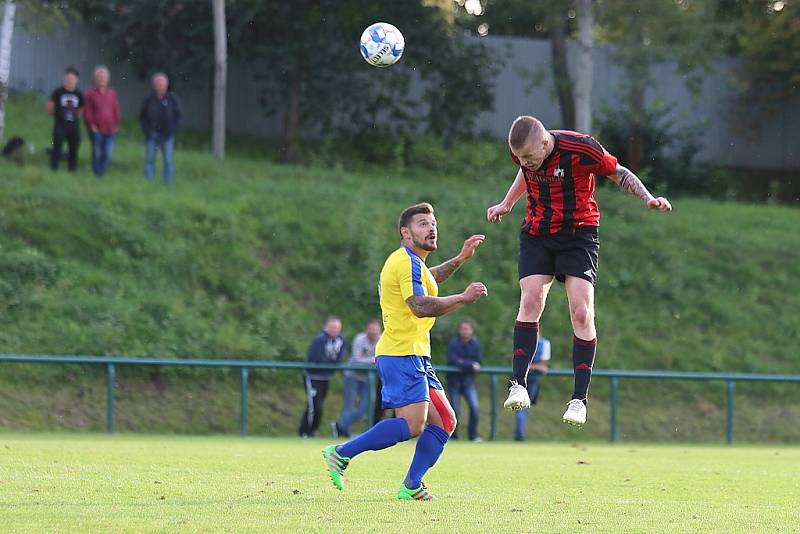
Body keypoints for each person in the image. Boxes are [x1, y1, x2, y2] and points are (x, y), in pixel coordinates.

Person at [487, 116, 672, 426]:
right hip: (538, 232)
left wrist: (648, 199)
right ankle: (518, 384)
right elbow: (524, 172)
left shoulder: (582, 148)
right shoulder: (523, 154)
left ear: (545, 143)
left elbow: (618, 173)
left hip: (579, 234)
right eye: (521, 159)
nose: (528, 165)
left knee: (582, 312)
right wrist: (507, 203)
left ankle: (578, 400)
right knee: (530, 301)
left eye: (532, 158)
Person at [322, 202, 487, 501]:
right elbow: (420, 306)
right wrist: (463, 298)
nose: (432, 227)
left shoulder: (414, 263)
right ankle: (341, 453)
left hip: (416, 355)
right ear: (405, 232)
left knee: (446, 420)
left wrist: (461, 258)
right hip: (401, 354)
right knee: (413, 424)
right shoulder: (404, 261)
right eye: (423, 223)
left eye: (433, 222)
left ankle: (412, 484)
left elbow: (429, 280)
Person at [332, 319, 382, 438]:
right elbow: (357, 359)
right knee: (349, 405)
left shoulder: (382, 340)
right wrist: (372, 360)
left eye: (375, 331)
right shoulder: (360, 339)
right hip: (352, 376)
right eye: (371, 330)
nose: (373, 333)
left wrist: (373, 360)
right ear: (366, 330)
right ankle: (344, 431)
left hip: (368, 378)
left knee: (367, 406)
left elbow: (382, 358)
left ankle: (340, 425)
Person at [298, 317, 346, 438]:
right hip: (313, 377)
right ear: (326, 327)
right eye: (333, 327)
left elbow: (339, 359)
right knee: (314, 406)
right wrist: (331, 362)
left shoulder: (340, 340)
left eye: (337, 328)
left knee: (318, 406)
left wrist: (332, 364)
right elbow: (316, 358)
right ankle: (305, 431)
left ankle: (312, 431)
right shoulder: (319, 340)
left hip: (326, 378)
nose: (335, 330)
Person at [139, 72, 182, 184]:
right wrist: (147, 131)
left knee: (168, 161)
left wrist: (172, 129)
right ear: (154, 85)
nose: (160, 86)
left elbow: (178, 116)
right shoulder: (148, 99)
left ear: (167, 85)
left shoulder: (172, 99)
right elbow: (142, 117)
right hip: (152, 134)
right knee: (149, 160)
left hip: (167, 135)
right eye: (158, 84)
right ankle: (148, 182)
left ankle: (167, 184)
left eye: (162, 84)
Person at [446, 319, 482, 442]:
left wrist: (464, 363)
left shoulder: (475, 344)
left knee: (475, 407)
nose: (465, 331)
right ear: (459, 330)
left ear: (471, 330)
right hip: (454, 381)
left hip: (468, 381)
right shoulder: (454, 343)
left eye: (467, 329)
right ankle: (453, 436)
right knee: (454, 409)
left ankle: (473, 436)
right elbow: (453, 360)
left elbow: (478, 362)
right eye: (463, 328)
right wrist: (470, 364)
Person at [83, 65, 120, 177]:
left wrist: (117, 123)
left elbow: (116, 109)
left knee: (108, 154)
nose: (102, 79)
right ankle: (97, 174)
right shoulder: (90, 93)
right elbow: (87, 111)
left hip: (111, 128)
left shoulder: (112, 92)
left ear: (108, 79)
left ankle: (100, 172)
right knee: (97, 153)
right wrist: (92, 125)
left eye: (104, 77)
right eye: (99, 77)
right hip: (96, 129)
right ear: (95, 79)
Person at [514, 336, 551, 441]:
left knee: (524, 406)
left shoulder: (544, 343)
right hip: (519, 380)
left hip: (533, 380)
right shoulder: (521, 340)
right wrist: (534, 367)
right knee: (521, 407)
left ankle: (519, 434)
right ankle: (519, 435)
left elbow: (543, 364)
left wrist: (528, 366)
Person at [47, 67, 83, 171]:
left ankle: (72, 169)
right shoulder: (57, 92)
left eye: (72, 78)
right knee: (57, 147)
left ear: (76, 80)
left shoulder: (79, 94)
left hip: (74, 126)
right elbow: (50, 108)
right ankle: (54, 168)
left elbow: (81, 108)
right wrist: (58, 115)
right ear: (64, 78)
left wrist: (74, 117)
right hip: (60, 125)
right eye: (68, 78)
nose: (69, 80)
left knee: (74, 148)